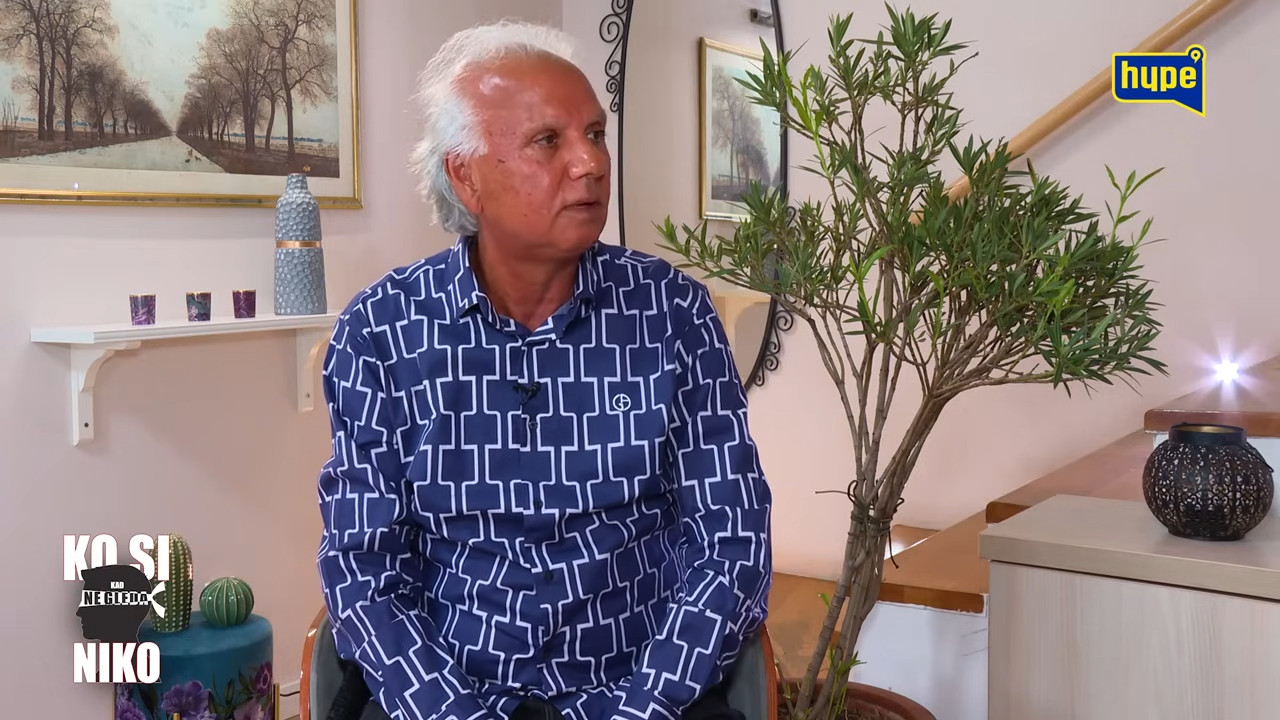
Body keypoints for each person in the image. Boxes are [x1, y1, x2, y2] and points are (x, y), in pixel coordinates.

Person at [315, 19, 772, 720]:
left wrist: (643, 706)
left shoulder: (673, 314)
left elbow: (730, 544)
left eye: (595, 134)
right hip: (447, 698)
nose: (590, 163)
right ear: (465, 176)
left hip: (641, 695)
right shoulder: (381, 333)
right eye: (549, 141)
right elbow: (363, 568)